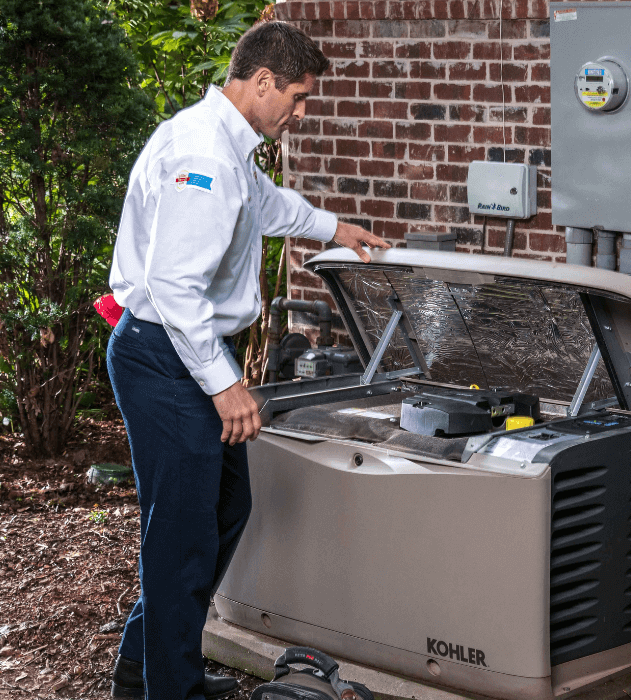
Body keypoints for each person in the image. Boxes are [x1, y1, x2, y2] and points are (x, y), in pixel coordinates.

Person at [104, 21, 389, 700]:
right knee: (184, 535)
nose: (299, 111)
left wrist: (332, 227)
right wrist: (225, 384)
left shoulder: (229, 146)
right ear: (260, 81)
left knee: (225, 507)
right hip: (166, 357)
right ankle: (168, 689)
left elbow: (264, 205)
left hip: (184, 355)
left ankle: (147, 667)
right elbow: (173, 286)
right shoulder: (203, 154)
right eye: (296, 96)